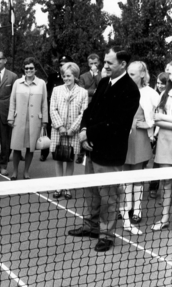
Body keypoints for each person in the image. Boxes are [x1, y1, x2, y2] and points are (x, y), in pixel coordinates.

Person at [68, 46, 140, 252]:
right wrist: (84, 130)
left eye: (109, 62)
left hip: (110, 153)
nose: (104, 65)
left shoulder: (130, 90)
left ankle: (106, 235)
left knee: (109, 197)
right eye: (105, 62)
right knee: (92, 192)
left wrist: (87, 133)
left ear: (122, 64)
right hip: (92, 148)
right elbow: (90, 111)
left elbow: (116, 123)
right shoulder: (103, 82)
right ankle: (91, 227)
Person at [120, 61, 158, 235]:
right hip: (124, 138)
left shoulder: (150, 93)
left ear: (142, 74)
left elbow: (160, 113)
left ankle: (137, 210)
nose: (129, 77)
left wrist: (147, 125)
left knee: (138, 176)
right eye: (128, 73)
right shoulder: (123, 89)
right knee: (126, 175)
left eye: (133, 74)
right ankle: (127, 207)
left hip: (140, 139)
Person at [50, 62, 88, 199]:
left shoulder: (83, 92)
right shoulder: (56, 90)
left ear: (75, 76)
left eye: (69, 76)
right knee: (59, 158)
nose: (66, 78)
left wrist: (73, 129)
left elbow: (84, 113)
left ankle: (67, 187)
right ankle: (59, 186)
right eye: (64, 76)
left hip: (73, 131)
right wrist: (60, 126)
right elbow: (52, 109)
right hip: (58, 131)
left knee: (70, 159)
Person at [7, 57, 48, 180]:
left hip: (35, 120)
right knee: (16, 146)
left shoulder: (41, 84)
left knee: (30, 148)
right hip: (19, 119)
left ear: (35, 69)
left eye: (31, 68)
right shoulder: (17, 83)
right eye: (26, 68)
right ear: (24, 70)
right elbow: (12, 101)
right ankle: (15, 172)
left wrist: (45, 120)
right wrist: (10, 117)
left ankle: (26, 171)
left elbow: (44, 103)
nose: (29, 70)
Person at [41, 55, 73, 162]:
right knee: (49, 132)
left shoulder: (72, 78)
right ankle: (44, 153)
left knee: (63, 134)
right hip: (53, 110)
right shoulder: (52, 77)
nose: (62, 67)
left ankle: (59, 153)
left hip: (66, 111)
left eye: (64, 65)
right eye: (60, 65)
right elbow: (47, 95)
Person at [152, 76, 172, 231]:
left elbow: (159, 117)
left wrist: (162, 117)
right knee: (166, 182)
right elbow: (155, 120)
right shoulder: (164, 94)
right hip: (165, 143)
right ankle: (165, 218)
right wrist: (160, 118)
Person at [76, 53, 102, 164]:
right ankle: (81, 153)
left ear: (99, 63)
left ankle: (93, 151)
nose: (93, 65)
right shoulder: (83, 76)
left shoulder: (102, 75)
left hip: (98, 106)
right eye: (91, 63)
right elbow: (81, 90)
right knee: (84, 128)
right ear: (88, 64)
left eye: (95, 63)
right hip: (86, 105)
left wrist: (96, 74)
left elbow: (101, 86)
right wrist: (95, 92)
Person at [149, 72, 169, 198]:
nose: (160, 85)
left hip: (163, 134)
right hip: (158, 134)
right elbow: (155, 118)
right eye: (158, 83)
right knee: (157, 164)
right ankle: (154, 188)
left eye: (163, 83)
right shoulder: (160, 95)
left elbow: (160, 118)